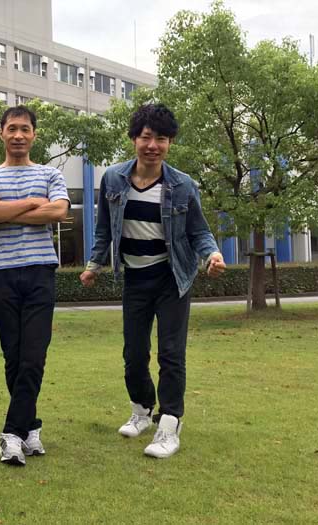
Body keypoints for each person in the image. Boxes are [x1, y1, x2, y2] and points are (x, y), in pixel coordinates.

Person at [80, 103, 225, 459]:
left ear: (170, 143)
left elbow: (199, 231)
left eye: (161, 139)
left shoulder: (183, 184)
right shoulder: (113, 179)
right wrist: (94, 265)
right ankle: (142, 409)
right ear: (134, 139)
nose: (153, 145)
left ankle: (169, 426)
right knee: (133, 354)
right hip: (135, 278)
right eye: (146, 137)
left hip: (172, 278)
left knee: (171, 354)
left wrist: (212, 254)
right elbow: (104, 229)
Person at [0, 106, 69, 466]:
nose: (18, 135)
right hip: (2, 274)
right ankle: (30, 428)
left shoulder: (50, 174)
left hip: (41, 272)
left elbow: (58, 212)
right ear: (1, 132)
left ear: (34, 135)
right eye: (11, 128)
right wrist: (30, 203)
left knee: (34, 356)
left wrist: (6, 209)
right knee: (14, 357)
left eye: (25, 129)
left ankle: (12, 434)